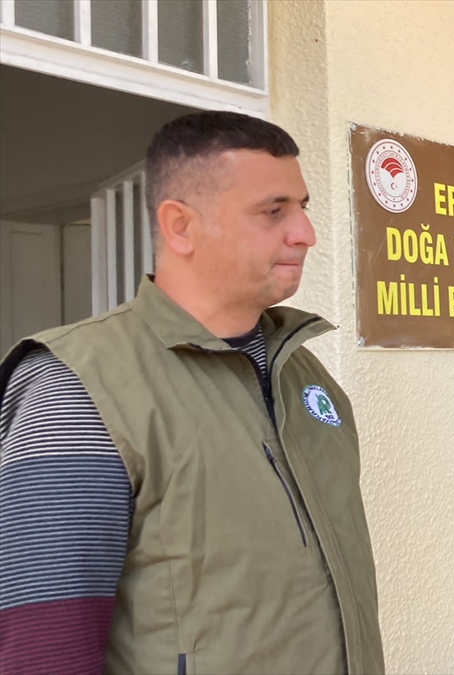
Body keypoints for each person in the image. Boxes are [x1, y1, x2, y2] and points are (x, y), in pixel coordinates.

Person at [0, 111, 385, 674]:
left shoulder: (305, 376)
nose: (305, 233)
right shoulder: (76, 387)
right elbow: (43, 647)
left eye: (302, 207)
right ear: (180, 226)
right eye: (273, 211)